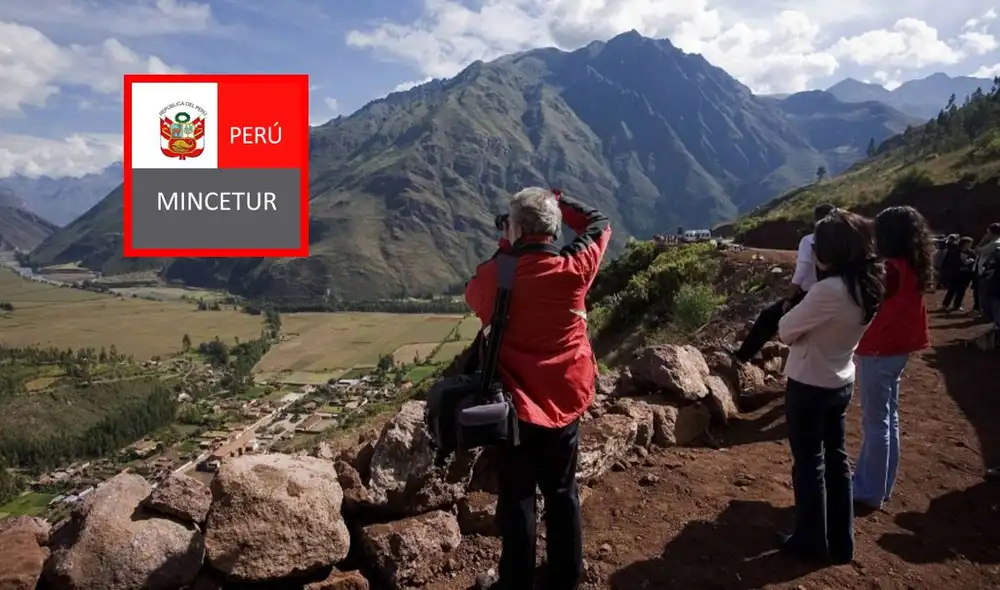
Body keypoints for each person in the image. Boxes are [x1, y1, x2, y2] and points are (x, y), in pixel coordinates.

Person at [464, 187, 611, 590]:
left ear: (516, 228)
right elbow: (599, 223)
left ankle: (516, 581)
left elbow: (474, 295)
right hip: (566, 400)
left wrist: (506, 249)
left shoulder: (498, 275)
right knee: (563, 491)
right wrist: (557, 200)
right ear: (553, 228)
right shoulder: (577, 266)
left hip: (516, 408)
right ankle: (566, 575)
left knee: (518, 499)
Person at [776, 209, 884, 565]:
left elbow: (787, 329)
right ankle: (842, 541)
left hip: (809, 383)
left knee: (809, 464)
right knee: (837, 461)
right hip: (840, 379)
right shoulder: (867, 286)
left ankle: (810, 539)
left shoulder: (828, 291)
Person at [852, 206, 933, 511]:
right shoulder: (912, 265)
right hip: (897, 349)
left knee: (876, 422)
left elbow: (869, 309)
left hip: (879, 349)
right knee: (888, 418)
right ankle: (879, 483)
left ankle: (867, 489)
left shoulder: (888, 269)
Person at [729, 203, 836, 362]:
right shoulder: (844, 242)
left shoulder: (809, 241)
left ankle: (743, 356)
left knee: (768, 317)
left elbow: (801, 271)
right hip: (837, 293)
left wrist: (789, 297)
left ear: (816, 220)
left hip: (809, 294)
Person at [940, 236, 976, 312]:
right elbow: (951, 262)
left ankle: (957, 305)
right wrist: (959, 267)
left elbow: (974, 262)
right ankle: (945, 304)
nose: (969, 245)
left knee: (961, 291)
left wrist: (970, 265)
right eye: (968, 243)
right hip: (956, 274)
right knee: (952, 290)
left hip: (965, 275)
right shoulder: (955, 252)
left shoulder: (971, 253)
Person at [975, 223, 1000, 322]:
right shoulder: (994, 242)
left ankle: (988, 316)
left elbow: (978, 250)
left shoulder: (995, 243)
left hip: (988, 274)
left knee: (985, 296)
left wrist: (983, 240)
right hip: (988, 273)